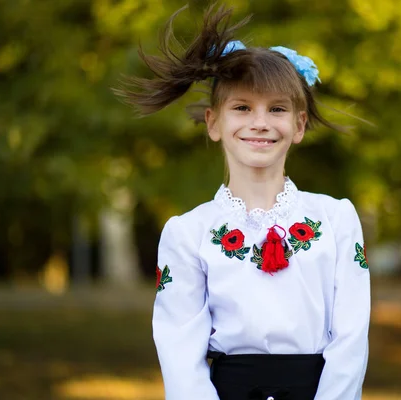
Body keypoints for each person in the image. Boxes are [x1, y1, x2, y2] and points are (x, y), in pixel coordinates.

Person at [114, 4, 370, 400]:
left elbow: (352, 338)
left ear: (299, 125)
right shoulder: (188, 233)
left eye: (277, 109)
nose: (260, 122)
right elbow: (179, 350)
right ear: (213, 122)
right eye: (242, 108)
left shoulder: (336, 219)